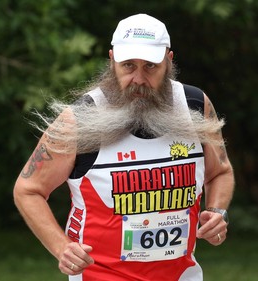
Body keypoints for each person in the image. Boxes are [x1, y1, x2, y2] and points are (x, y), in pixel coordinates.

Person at [13, 13, 234, 281]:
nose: (139, 79)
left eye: (150, 66)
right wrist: (62, 248)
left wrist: (216, 211)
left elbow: (219, 171)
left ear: (168, 61)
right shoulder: (81, 118)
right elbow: (29, 189)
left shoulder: (195, 105)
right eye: (128, 65)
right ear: (112, 60)